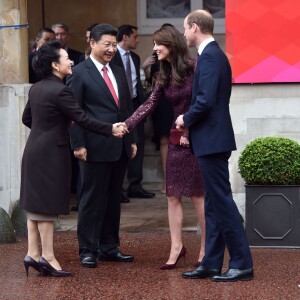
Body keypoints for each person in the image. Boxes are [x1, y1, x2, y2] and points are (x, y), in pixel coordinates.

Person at [20, 41, 127, 277]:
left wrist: (49, 126)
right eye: (66, 57)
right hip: (50, 153)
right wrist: (110, 128)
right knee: (46, 206)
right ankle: (48, 257)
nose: (71, 61)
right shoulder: (60, 90)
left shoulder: (37, 87)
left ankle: (32, 253)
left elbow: (27, 118)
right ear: (55, 65)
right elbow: (82, 119)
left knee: (34, 204)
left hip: (33, 149)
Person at [175, 10, 254, 282]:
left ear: (195, 27)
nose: (183, 34)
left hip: (212, 139)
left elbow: (205, 100)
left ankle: (242, 262)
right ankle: (211, 263)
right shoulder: (211, 55)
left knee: (222, 202)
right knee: (213, 204)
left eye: (185, 28)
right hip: (210, 138)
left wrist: (185, 119)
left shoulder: (210, 56)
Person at [124, 25, 206, 269]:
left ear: (171, 45)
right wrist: (126, 125)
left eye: (159, 44)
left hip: (194, 137)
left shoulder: (194, 67)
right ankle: (176, 247)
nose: (154, 48)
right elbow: (149, 104)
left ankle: (205, 248)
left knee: (198, 196)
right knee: (172, 195)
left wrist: (189, 130)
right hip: (174, 139)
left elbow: (202, 102)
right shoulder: (163, 73)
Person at [67, 23, 135, 268]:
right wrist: (78, 144)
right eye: (106, 44)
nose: (111, 49)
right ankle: (87, 248)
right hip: (93, 147)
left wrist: (132, 139)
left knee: (113, 199)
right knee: (91, 199)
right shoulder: (79, 73)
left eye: (114, 45)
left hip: (119, 146)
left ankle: (109, 246)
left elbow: (126, 108)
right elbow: (74, 113)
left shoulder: (117, 70)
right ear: (92, 43)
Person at [111, 24, 155, 199]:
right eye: (135, 37)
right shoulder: (113, 57)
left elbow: (136, 82)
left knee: (139, 144)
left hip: (135, 106)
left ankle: (135, 185)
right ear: (125, 37)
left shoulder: (135, 58)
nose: (137, 40)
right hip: (118, 107)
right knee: (120, 145)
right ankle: (118, 189)